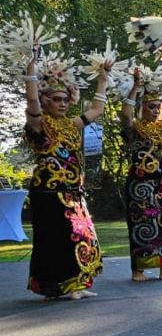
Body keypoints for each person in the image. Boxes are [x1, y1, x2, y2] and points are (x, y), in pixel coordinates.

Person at [20, 45, 105, 299]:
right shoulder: (38, 123)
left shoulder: (71, 124)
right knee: (55, 239)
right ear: (45, 101)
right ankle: (57, 287)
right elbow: (32, 101)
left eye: (66, 99)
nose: (62, 103)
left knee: (80, 234)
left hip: (73, 191)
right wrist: (31, 67)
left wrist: (102, 78)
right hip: (48, 190)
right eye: (56, 99)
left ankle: (77, 284)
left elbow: (97, 110)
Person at [120, 67, 162, 282]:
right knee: (142, 225)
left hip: (160, 184)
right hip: (139, 184)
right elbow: (125, 114)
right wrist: (136, 87)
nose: (156, 110)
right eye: (151, 106)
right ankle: (137, 270)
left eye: (158, 106)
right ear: (142, 107)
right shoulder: (134, 128)